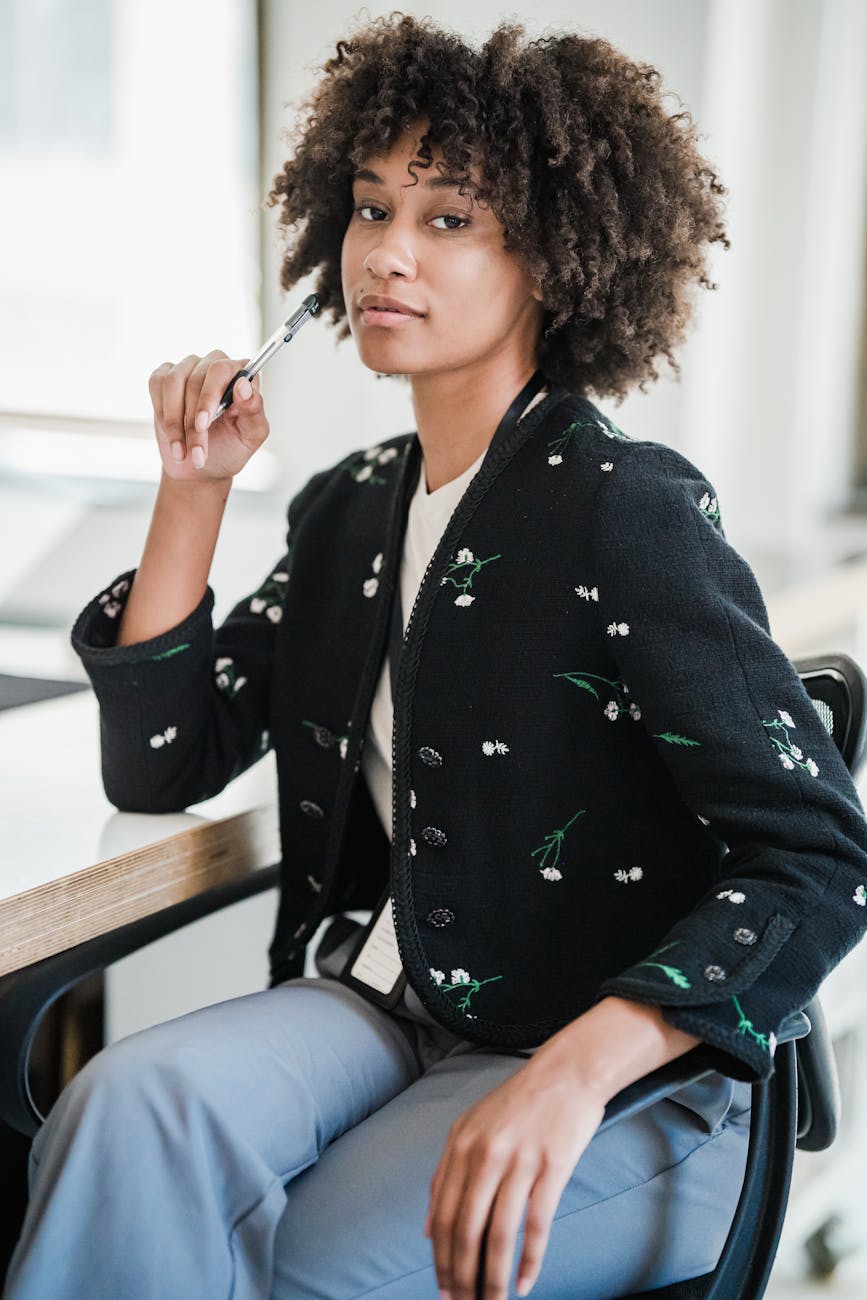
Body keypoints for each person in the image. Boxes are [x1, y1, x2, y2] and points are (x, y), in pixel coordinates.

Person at [6, 13, 867, 1300]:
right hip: (384, 1004)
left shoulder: (621, 506)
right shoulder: (352, 508)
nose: (386, 254)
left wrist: (569, 1075)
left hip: (627, 1068)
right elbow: (165, 758)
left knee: (296, 1265)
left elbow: (820, 854)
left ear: (553, 258)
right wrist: (191, 491)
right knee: (121, 1110)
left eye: (450, 218)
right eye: (368, 209)